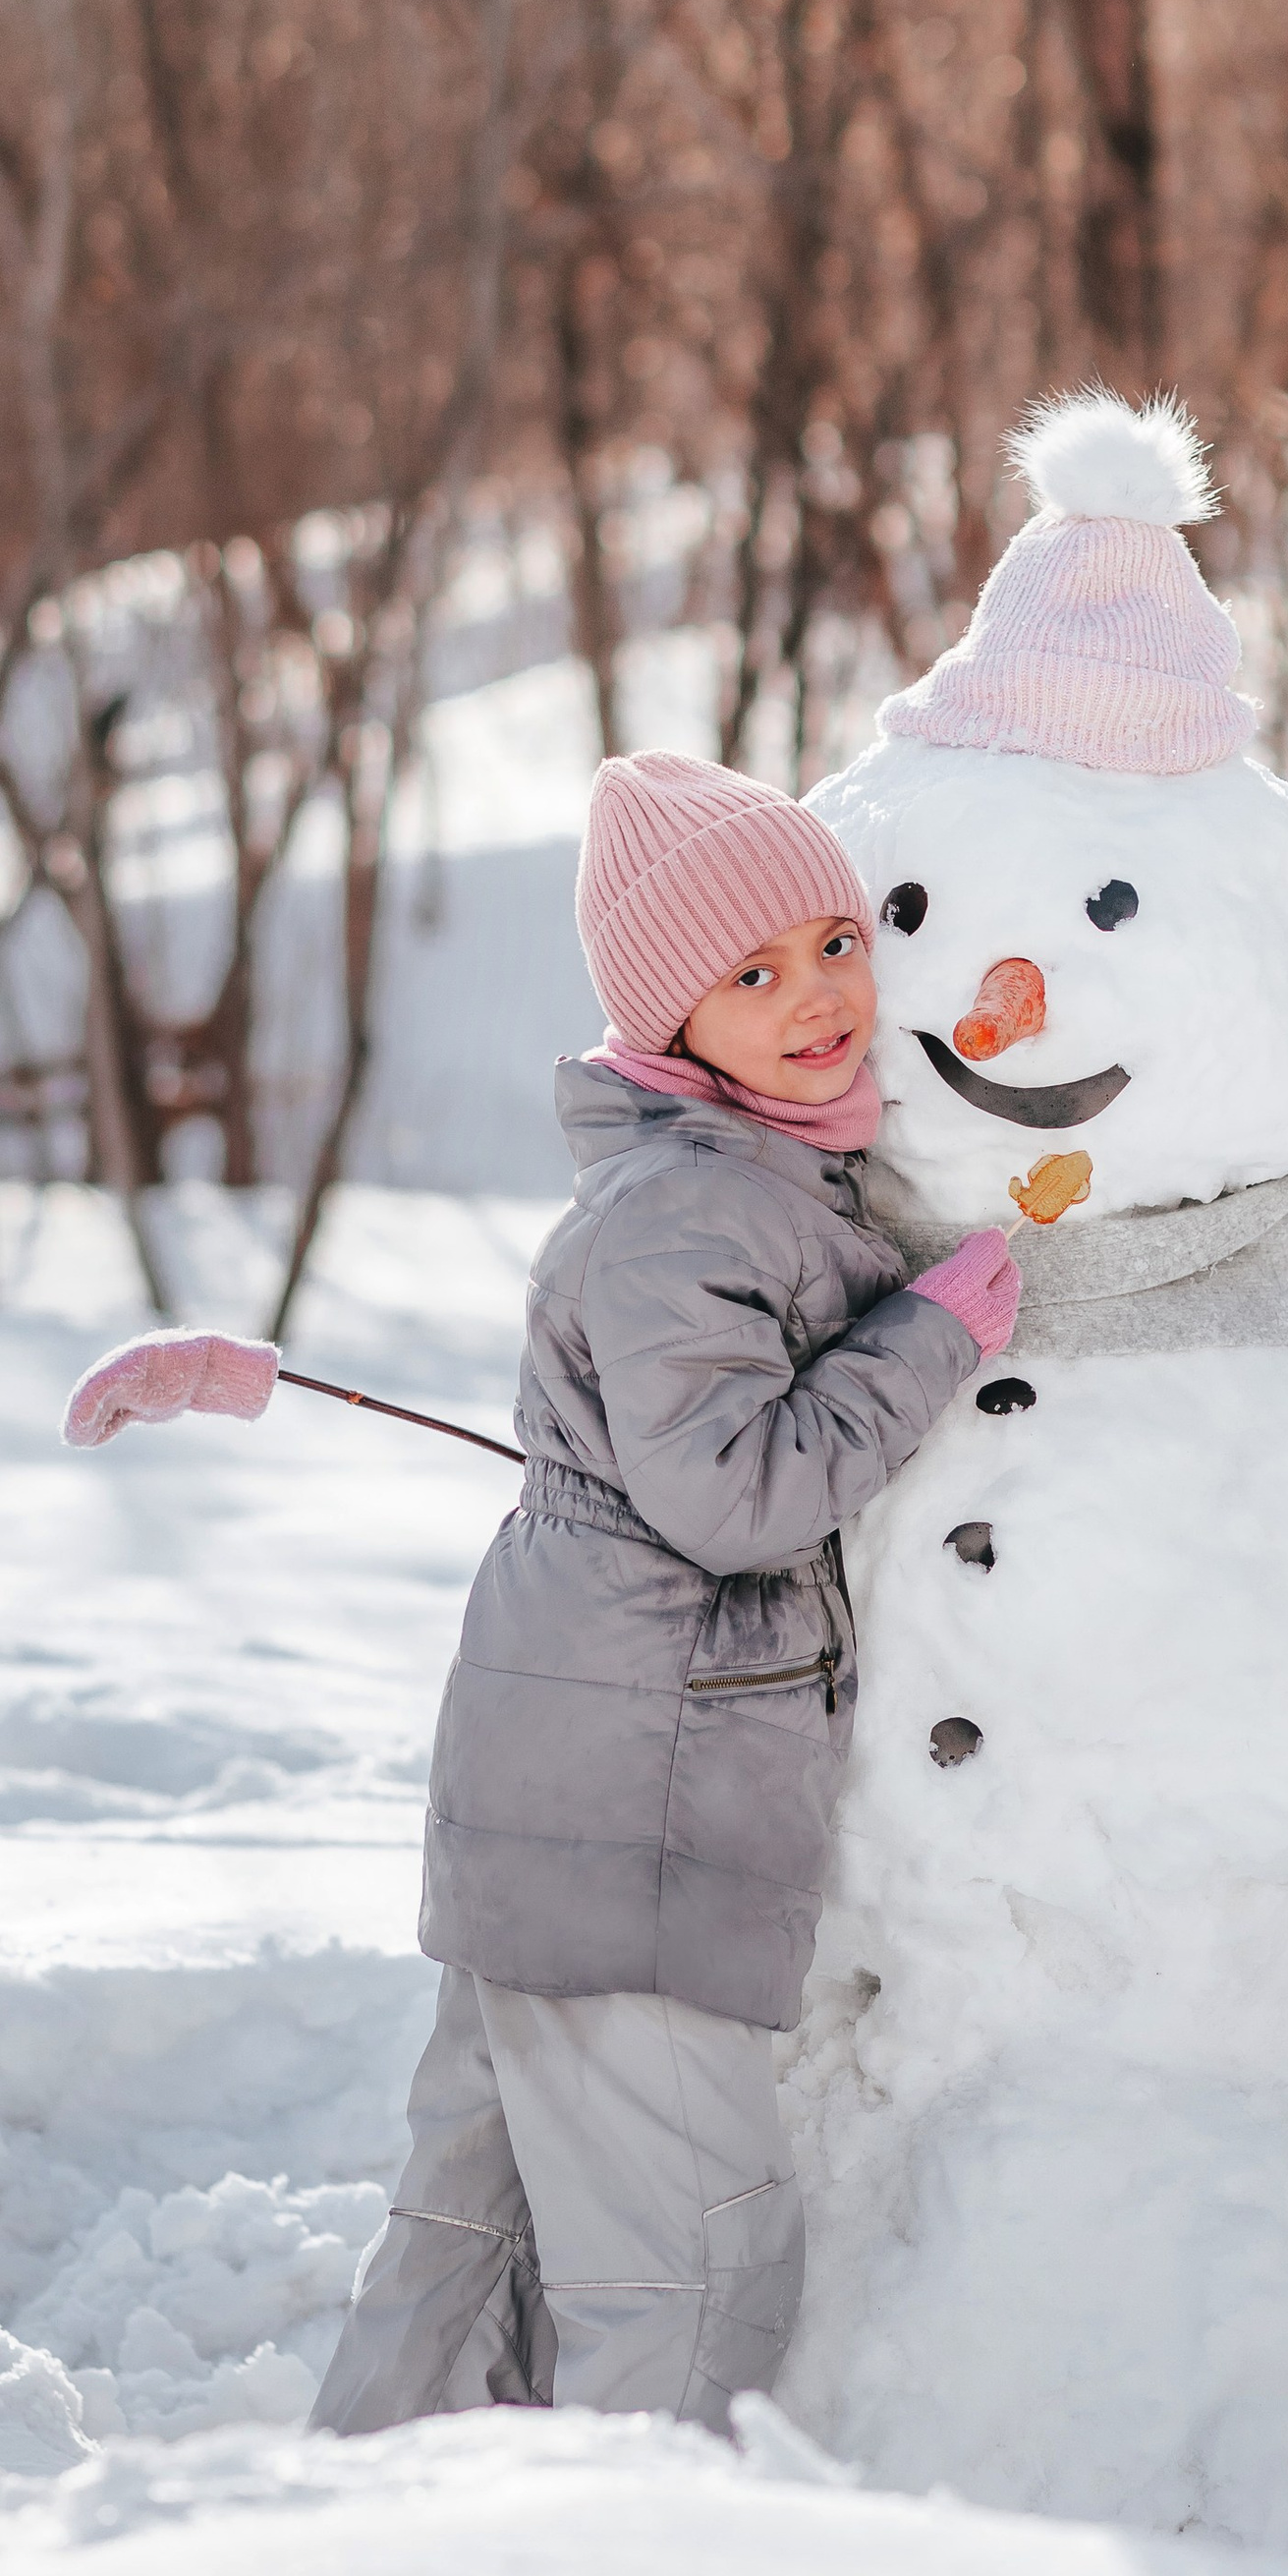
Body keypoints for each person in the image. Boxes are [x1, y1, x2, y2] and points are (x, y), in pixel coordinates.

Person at [311, 749, 1019, 2438]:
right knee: (698, 2265)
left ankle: (359, 2532)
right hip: (630, 1796)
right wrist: (938, 1334)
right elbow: (737, 1493)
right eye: (751, 976)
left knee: (481, 2224)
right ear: (671, 1022)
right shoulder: (691, 1203)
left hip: (574, 1774)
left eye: (832, 945)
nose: (817, 1000)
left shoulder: (737, 1178)